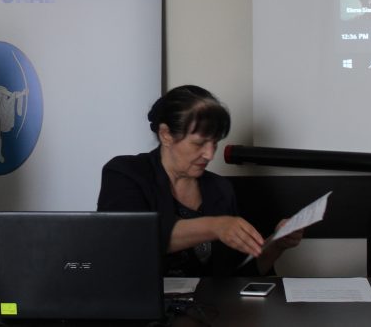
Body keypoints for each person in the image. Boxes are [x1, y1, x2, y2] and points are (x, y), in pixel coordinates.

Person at [97, 86, 303, 277]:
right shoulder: (125, 173)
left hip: (211, 305)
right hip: (143, 304)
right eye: (199, 143)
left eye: (215, 143)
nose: (210, 154)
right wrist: (215, 226)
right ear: (166, 134)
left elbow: (240, 274)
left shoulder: (220, 189)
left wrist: (277, 243)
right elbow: (131, 239)